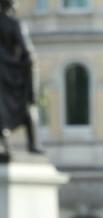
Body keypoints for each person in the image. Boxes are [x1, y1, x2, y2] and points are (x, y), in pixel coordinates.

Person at [0, 0, 42, 158]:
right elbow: (26, 50)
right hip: (11, 72)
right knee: (28, 106)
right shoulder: (14, 24)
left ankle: (5, 144)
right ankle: (33, 144)